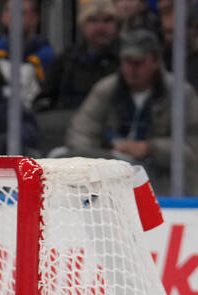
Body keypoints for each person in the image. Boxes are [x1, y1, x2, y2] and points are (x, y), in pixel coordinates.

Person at [64, 28, 198, 194]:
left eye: (139, 62)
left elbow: (193, 146)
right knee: (59, 155)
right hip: (108, 170)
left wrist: (149, 148)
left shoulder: (181, 94)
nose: (132, 69)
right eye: (127, 62)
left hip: (159, 174)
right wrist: (94, 163)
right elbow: (80, 132)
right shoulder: (106, 89)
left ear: (156, 61)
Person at [35, 0, 120, 112]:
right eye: (93, 20)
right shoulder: (67, 59)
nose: (100, 27)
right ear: (82, 25)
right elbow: (45, 98)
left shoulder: (125, 59)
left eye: (107, 20)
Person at [0, 0, 56, 107]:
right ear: (3, 17)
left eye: (21, 12)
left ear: (35, 19)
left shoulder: (46, 56)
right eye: (10, 12)